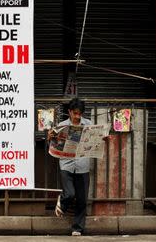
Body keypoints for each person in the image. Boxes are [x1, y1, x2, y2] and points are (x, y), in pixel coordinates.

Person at [52, 97, 91, 236]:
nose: (77, 116)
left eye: (80, 114)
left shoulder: (88, 124)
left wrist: (102, 138)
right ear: (69, 112)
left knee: (82, 199)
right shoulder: (62, 125)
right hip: (66, 164)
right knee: (69, 193)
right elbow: (53, 144)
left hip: (83, 165)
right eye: (75, 113)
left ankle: (77, 228)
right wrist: (52, 137)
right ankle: (62, 202)